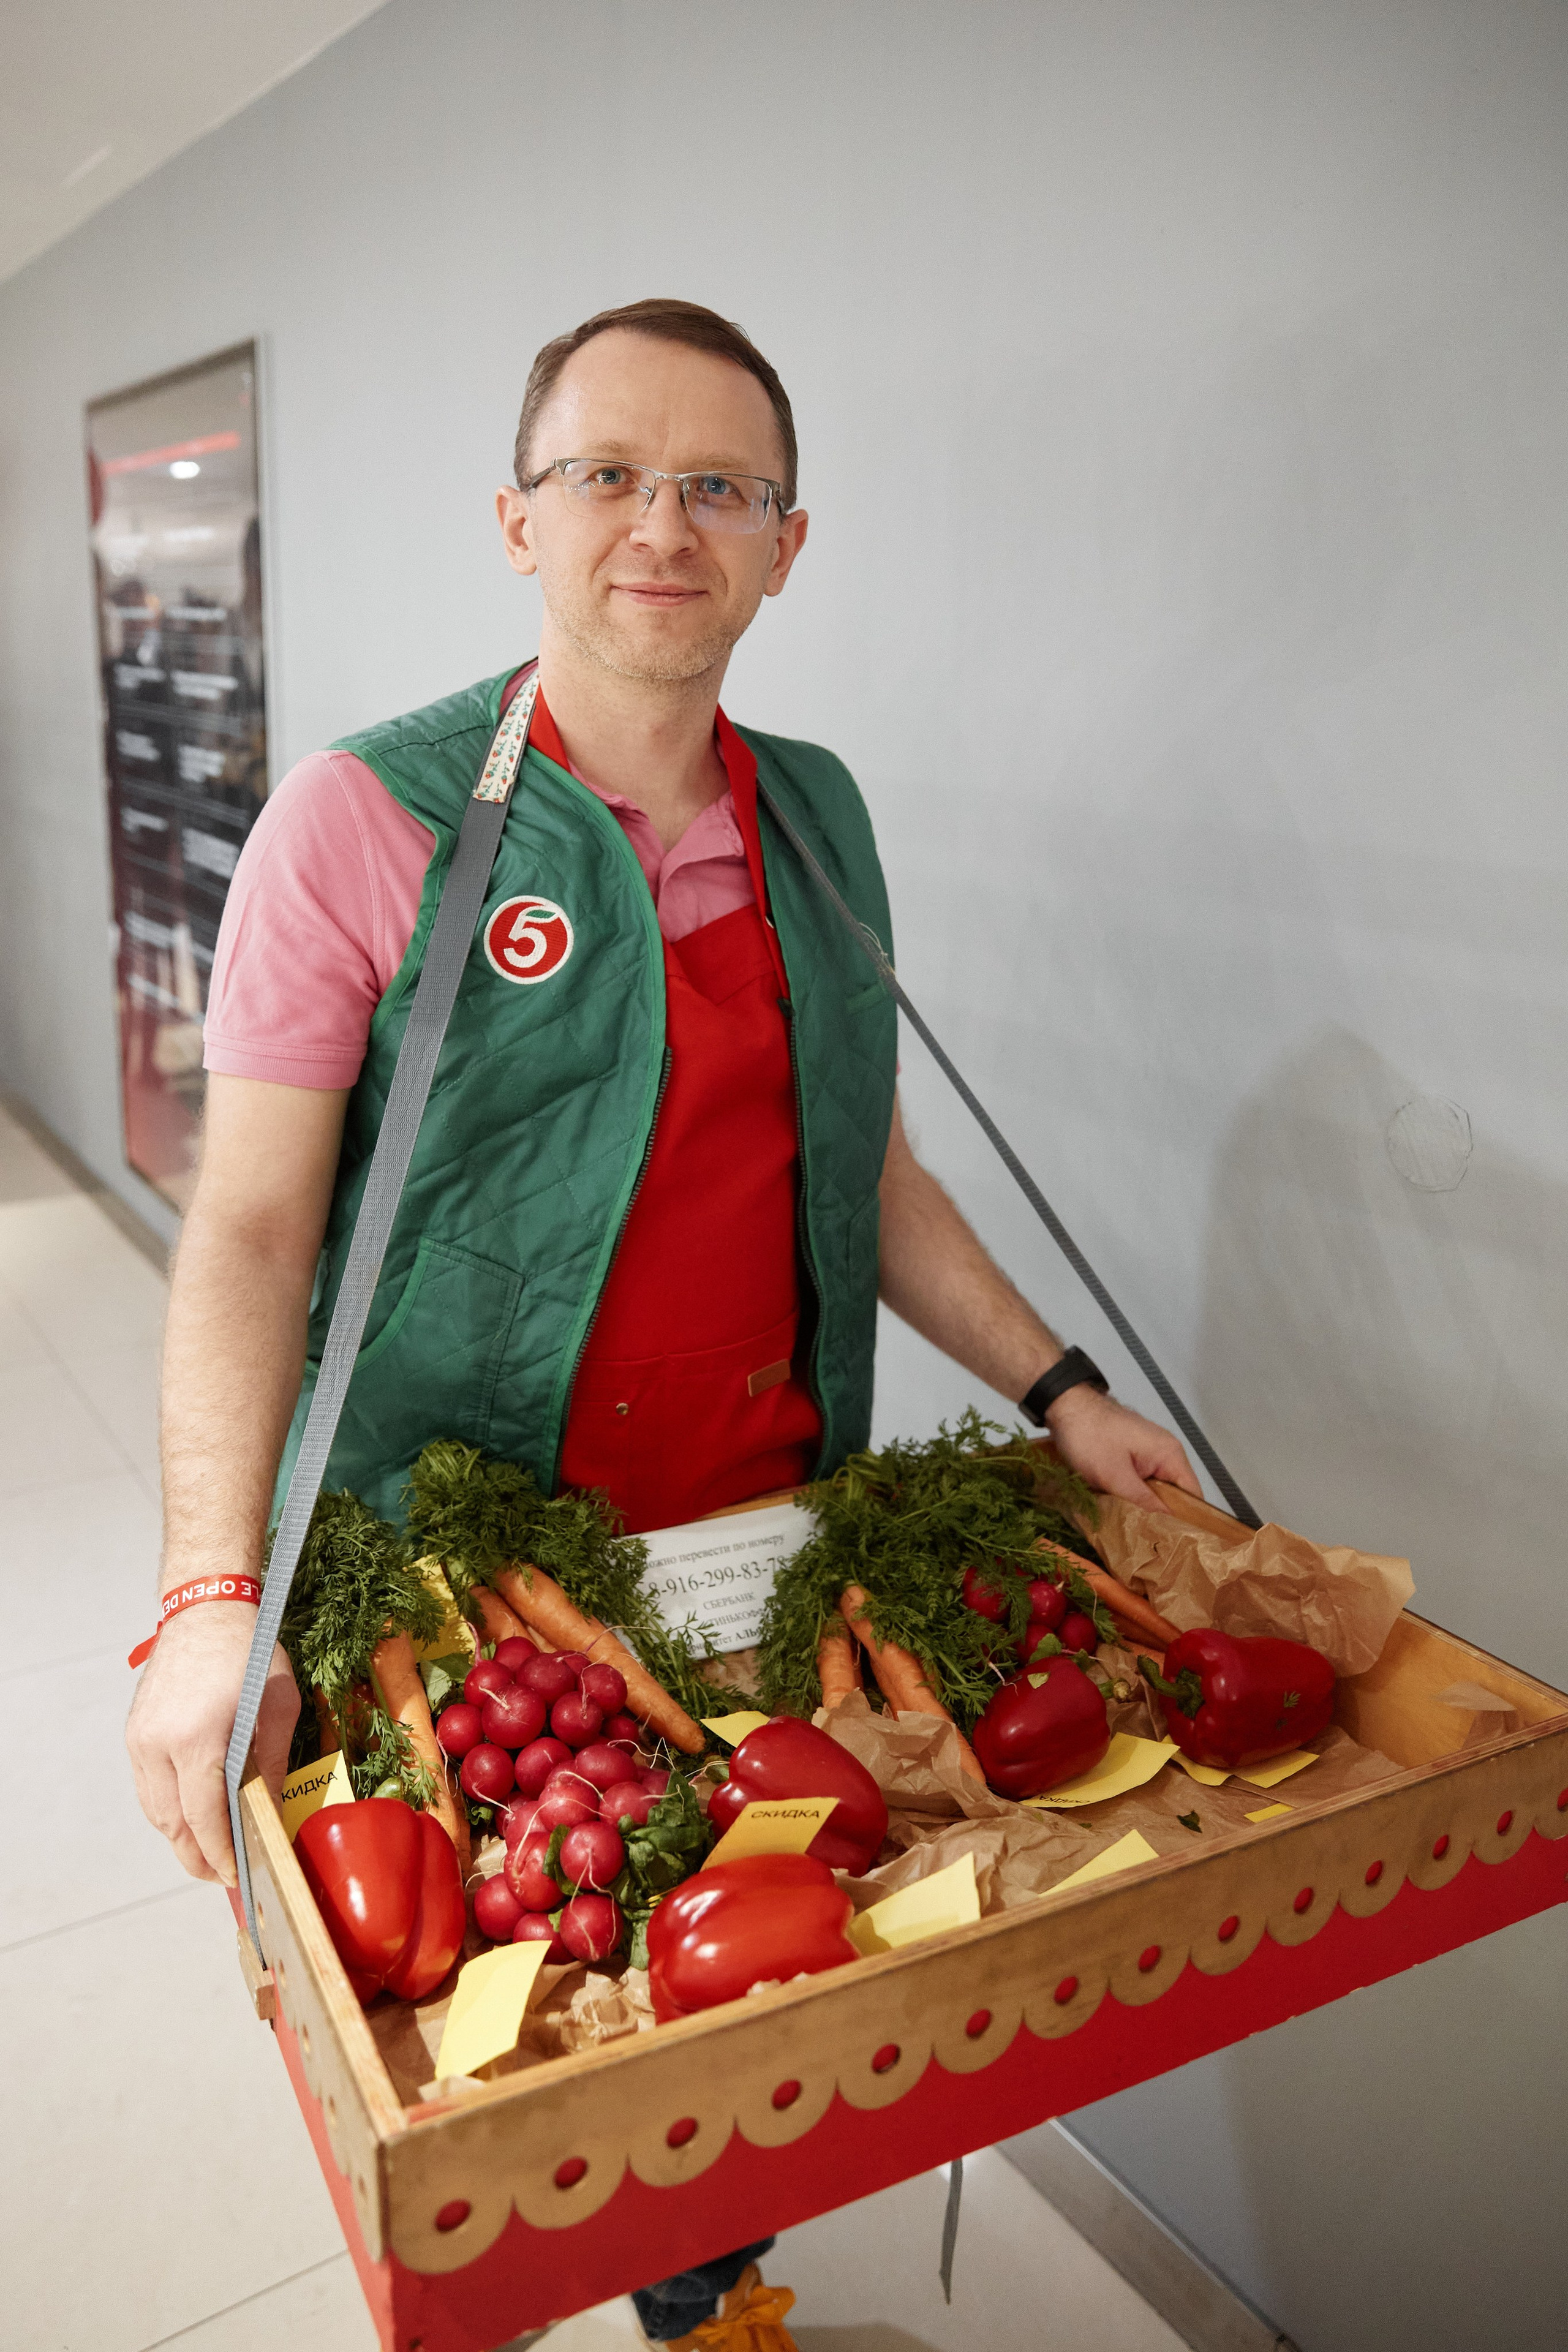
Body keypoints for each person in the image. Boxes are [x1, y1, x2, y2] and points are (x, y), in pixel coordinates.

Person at [126, 298, 1199, 2348]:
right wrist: (203, 1598)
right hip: (467, 1604)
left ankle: (716, 2300)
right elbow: (253, 1237)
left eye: (721, 485)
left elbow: (864, 1173)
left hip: (768, 1558)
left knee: (733, 2017)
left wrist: (1054, 1388)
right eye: (606, 472)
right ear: (515, 519)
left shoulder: (818, 816)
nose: (661, 523)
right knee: (491, 2106)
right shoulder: (367, 824)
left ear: (790, 543)